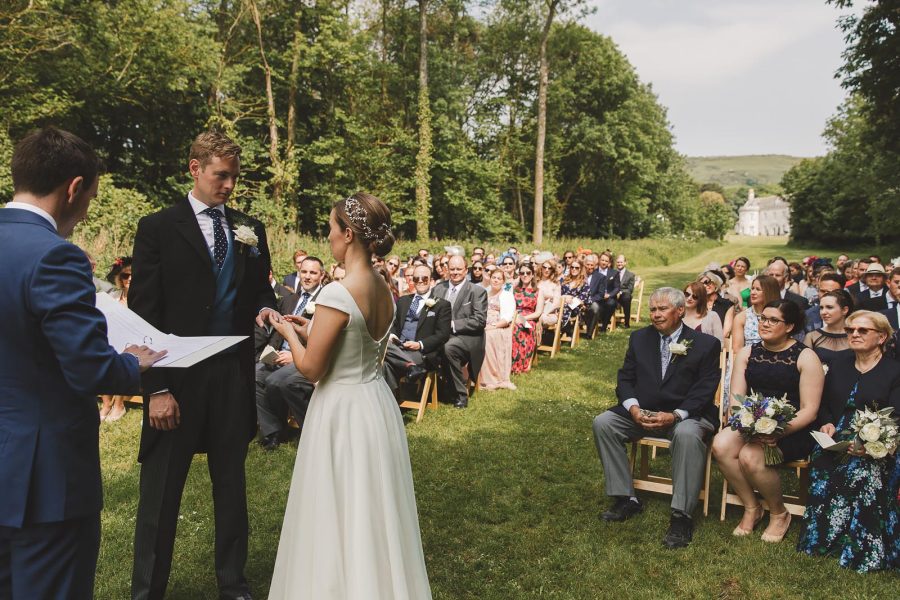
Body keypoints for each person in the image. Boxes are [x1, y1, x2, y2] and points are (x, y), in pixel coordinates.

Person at [0, 127, 164, 599]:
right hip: (45, 478)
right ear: (74, 188)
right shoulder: (55, 257)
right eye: (90, 196)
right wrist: (132, 364)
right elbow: (89, 368)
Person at [129, 131, 278, 600]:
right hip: (175, 379)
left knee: (231, 488)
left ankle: (233, 583)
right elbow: (142, 314)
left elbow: (260, 290)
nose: (230, 185)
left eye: (234, 176)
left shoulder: (250, 228)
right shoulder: (157, 227)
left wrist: (266, 308)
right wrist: (155, 389)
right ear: (195, 169)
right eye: (221, 175)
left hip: (232, 377)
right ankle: (148, 590)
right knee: (161, 495)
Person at [266, 193, 431, 598]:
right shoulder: (382, 287)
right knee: (373, 506)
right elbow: (357, 341)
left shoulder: (338, 293)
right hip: (374, 402)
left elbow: (311, 369)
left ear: (349, 234)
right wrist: (310, 327)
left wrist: (288, 332)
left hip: (340, 407)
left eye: (331, 228)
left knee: (336, 505)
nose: (328, 237)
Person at [593, 288, 721, 549]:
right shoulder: (639, 338)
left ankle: (681, 515)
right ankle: (626, 498)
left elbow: (705, 389)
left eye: (662, 309)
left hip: (687, 414)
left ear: (680, 310)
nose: (656, 314)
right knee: (603, 423)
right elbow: (625, 379)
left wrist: (675, 415)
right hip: (644, 411)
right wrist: (633, 409)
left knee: (686, 435)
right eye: (652, 309)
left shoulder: (706, 344)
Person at [712, 300, 824, 543]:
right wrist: (748, 423)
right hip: (752, 421)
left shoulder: (806, 357)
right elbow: (737, 399)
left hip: (794, 428)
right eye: (763, 318)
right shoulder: (748, 352)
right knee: (720, 445)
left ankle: (779, 513)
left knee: (750, 456)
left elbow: (810, 410)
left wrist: (778, 432)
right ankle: (752, 507)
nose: (765, 324)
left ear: (790, 326)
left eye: (774, 320)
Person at [797, 310, 900, 572]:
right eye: (851, 330)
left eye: (862, 330)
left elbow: (896, 416)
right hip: (837, 435)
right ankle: (824, 541)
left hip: (881, 441)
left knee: (863, 471)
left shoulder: (894, 370)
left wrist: (870, 444)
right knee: (822, 461)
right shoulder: (840, 362)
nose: (854, 334)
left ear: (881, 337)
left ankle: (862, 548)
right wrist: (827, 422)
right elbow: (825, 405)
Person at [254, 256, 325, 451]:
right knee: (255, 375)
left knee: (276, 381)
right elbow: (277, 331)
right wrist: (272, 352)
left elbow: (323, 339)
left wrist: (294, 356)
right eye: (304, 272)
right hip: (279, 355)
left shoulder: (325, 302)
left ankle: (310, 431)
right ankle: (273, 432)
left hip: (304, 358)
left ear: (322, 275)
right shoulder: (289, 299)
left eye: (313, 272)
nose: (307, 277)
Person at [382, 264, 452, 394]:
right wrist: (392, 335)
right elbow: (394, 325)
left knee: (386, 364)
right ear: (412, 281)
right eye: (416, 279)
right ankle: (411, 367)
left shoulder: (442, 305)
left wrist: (419, 345)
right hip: (398, 346)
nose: (420, 281)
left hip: (421, 352)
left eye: (424, 278)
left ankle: (392, 402)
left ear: (431, 281)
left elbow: (443, 334)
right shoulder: (403, 301)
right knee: (385, 343)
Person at [434, 255, 488, 408]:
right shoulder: (438, 288)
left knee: (447, 348)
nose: (455, 272)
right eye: (452, 269)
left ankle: (459, 394)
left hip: (467, 338)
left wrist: (452, 324)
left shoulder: (477, 291)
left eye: (459, 269)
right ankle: (430, 387)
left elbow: (479, 320)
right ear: (447, 269)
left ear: (466, 270)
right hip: (440, 335)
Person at [99, 255, 135, 423]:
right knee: (102, 354)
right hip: (113, 336)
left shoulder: (141, 298)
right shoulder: (114, 297)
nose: (129, 279)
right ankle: (106, 404)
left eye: (132, 275)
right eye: (125, 276)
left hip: (134, 340)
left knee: (121, 355)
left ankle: (119, 405)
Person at [480, 269, 517, 390]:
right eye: (494, 277)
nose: (495, 280)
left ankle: (491, 378)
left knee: (488, 336)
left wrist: (494, 326)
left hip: (499, 326)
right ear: (490, 279)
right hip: (482, 323)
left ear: (503, 281)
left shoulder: (506, 295)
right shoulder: (484, 293)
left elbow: (507, 317)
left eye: (499, 278)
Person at [731, 275, 781, 352]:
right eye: (752, 288)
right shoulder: (742, 317)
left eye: (758, 289)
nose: (752, 293)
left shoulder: (780, 315)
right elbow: (737, 350)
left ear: (769, 292)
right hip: (748, 359)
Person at [804, 290, 854, 368]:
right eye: (821, 308)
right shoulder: (812, 337)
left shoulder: (856, 334)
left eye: (829, 307)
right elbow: (805, 367)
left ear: (844, 310)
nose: (823, 312)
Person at [511, 263, 543, 373]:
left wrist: (525, 318)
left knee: (521, 327)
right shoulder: (515, 290)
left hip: (530, 318)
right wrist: (516, 317)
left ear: (533, 274)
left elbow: (538, 312)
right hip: (515, 316)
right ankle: (511, 363)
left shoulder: (538, 291)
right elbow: (511, 306)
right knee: (512, 327)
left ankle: (522, 363)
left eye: (528, 273)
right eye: (522, 273)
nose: (525, 275)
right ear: (519, 275)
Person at [559, 259, 590, 335]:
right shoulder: (564, 280)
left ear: (580, 269)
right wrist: (565, 297)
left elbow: (581, 299)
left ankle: (561, 328)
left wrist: (570, 299)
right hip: (561, 303)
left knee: (565, 307)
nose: (574, 269)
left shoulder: (584, 283)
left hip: (575, 307)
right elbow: (557, 294)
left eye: (577, 268)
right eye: (572, 267)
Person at [538, 259, 562, 327]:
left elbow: (556, 303)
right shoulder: (536, 282)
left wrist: (544, 312)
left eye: (549, 268)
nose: (547, 270)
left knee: (542, 318)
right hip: (536, 310)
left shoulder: (555, 284)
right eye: (544, 267)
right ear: (541, 268)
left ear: (552, 270)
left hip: (549, 313)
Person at [615, 254, 636, 327]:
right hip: (613, 295)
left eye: (621, 262)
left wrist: (620, 292)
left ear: (625, 263)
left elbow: (630, 289)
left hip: (623, 295)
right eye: (618, 262)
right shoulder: (612, 273)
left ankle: (627, 322)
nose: (619, 264)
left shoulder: (630, 275)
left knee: (627, 297)